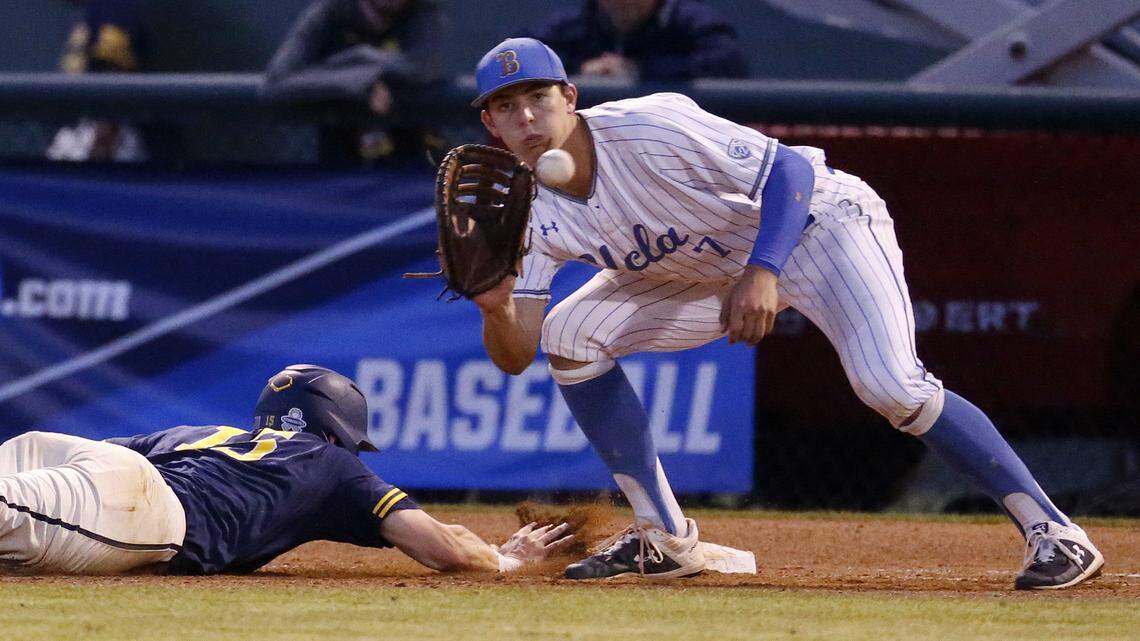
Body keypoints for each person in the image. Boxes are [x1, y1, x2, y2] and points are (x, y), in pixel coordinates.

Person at [464, 37, 1104, 589]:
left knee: (890, 385)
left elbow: (790, 168)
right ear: (491, 126)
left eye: (537, 98)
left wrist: (763, 271)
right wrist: (494, 307)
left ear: (569, 97)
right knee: (571, 333)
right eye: (505, 107)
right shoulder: (526, 211)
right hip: (704, 270)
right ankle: (665, 538)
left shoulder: (646, 125)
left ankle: (1056, 533)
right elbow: (518, 355)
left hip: (816, 227)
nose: (525, 117)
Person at [0, 364, 571, 575]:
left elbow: (97, 455)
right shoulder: (331, 464)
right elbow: (440, 546)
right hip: (147, 511)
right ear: (336, 431)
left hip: (94, 458)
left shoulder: (205, 433)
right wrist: (505, 558)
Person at [261, 0, 446, 161]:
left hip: (413, 162)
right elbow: (277, 81)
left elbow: (420, 68)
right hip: (340, 163)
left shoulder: (423, 13)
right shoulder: (331, 12)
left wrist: (358, 60)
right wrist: (358, 85)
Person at [529, 0, 748, 81]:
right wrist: (579, 71)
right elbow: (527, 59)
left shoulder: (691, 21)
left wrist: (641, 71)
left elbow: (727, 62)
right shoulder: (573, 24)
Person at [47, 0, 149, 162]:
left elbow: (115, 79)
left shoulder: (114, 8)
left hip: (101, 136)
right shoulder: (88, 11)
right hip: (79, 132)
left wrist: (103, 142)